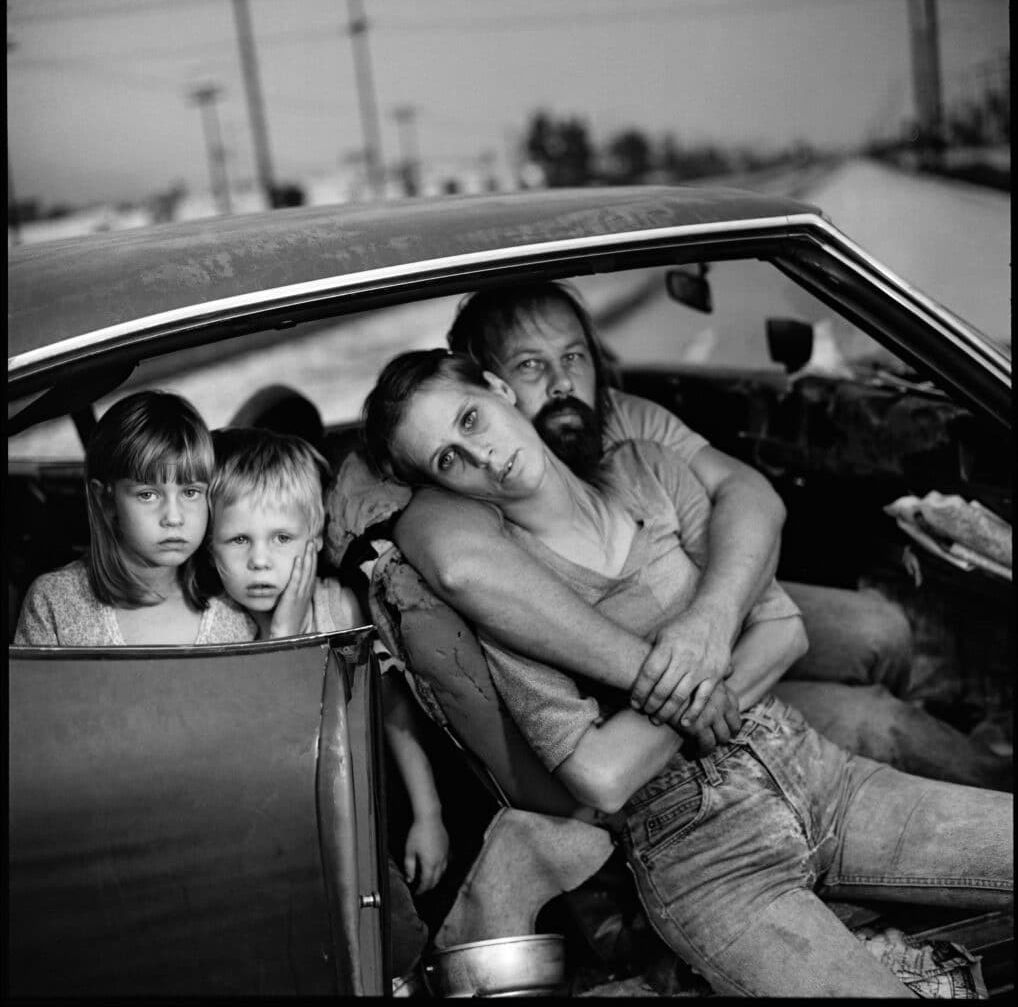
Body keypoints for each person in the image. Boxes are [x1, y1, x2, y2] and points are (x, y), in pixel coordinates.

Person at [361, 349, 1013, 997]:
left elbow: (786, 631)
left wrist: (702, 641)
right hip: (699, 850)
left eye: (472, 419)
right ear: (444, 488)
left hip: (817, 768)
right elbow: (600, 776)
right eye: (449, 459)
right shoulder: (508, 601)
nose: (482, 456)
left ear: (501, 389)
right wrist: (704, 692)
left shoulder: (648, 470)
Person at [377, 281, 1003, 787]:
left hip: (719, 620)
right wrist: (683, 683)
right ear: (497, 384)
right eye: (532, 366)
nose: (563, 382)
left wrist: (712, 620)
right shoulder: (469, 476)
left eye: (574, 357)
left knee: (881, 629)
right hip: (655, 702)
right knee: (877, 724)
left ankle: (877, 768)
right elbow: (458, 562)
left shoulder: (625, 420)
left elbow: (751, 495)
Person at [206, 427, 450, 901]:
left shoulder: (342, 610)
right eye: (238, 539)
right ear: (210, 547)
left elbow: (392, 712)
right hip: (264, 836)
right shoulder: (213, 627)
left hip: (357, 816)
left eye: (281, 537)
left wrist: (429, 813)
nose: (260, 560)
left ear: (314, 540)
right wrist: (283, 638)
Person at [13, 390, 255, 647]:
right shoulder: (55, 603)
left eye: (191, 492)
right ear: (105, 500)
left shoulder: (234, 607)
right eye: (148, 495)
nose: (173, 518)